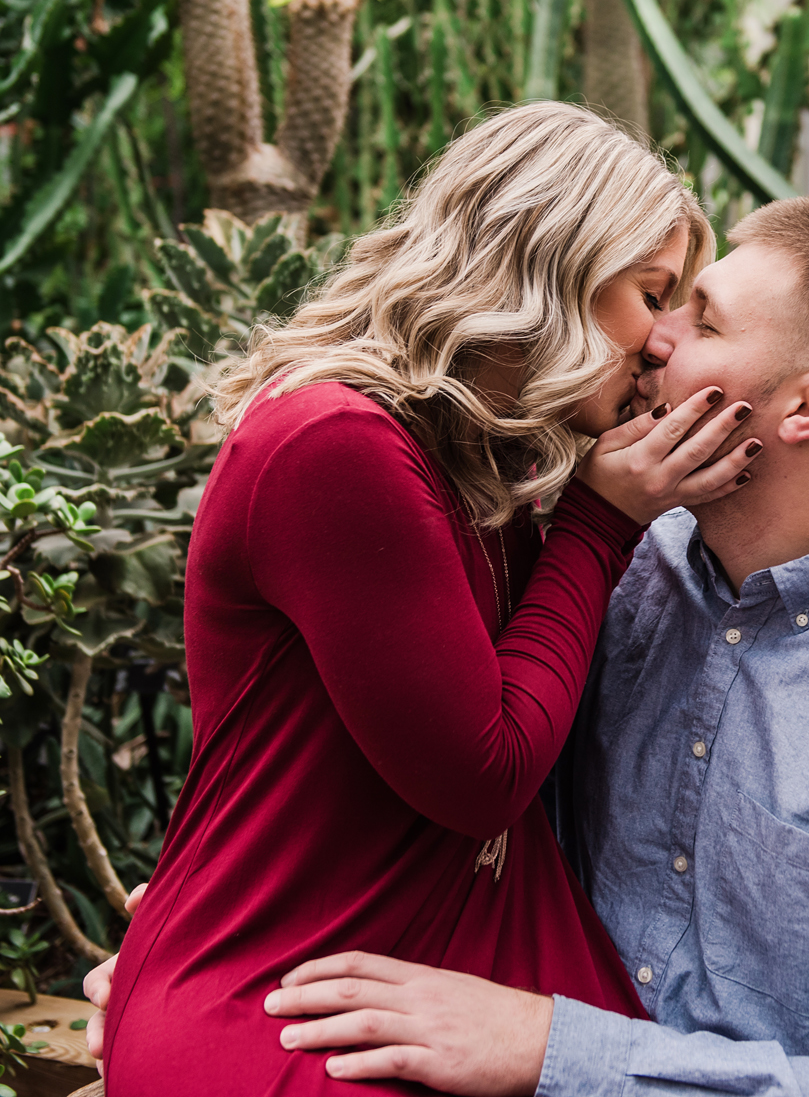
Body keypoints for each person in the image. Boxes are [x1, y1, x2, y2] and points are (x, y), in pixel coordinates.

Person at [242, 198, 809, 1097]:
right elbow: (440, 792)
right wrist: (239, 954)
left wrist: (550, 1047)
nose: (654, 337)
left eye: (702, 319)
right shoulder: (617, 565)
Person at [91, 102, 765, 1097]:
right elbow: (483, 770)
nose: (663, 340)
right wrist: (597, 520)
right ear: (548, 264)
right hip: (293, 995)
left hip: (426, 969)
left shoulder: (471, 456)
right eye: (650, 292)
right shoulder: (335, 445)